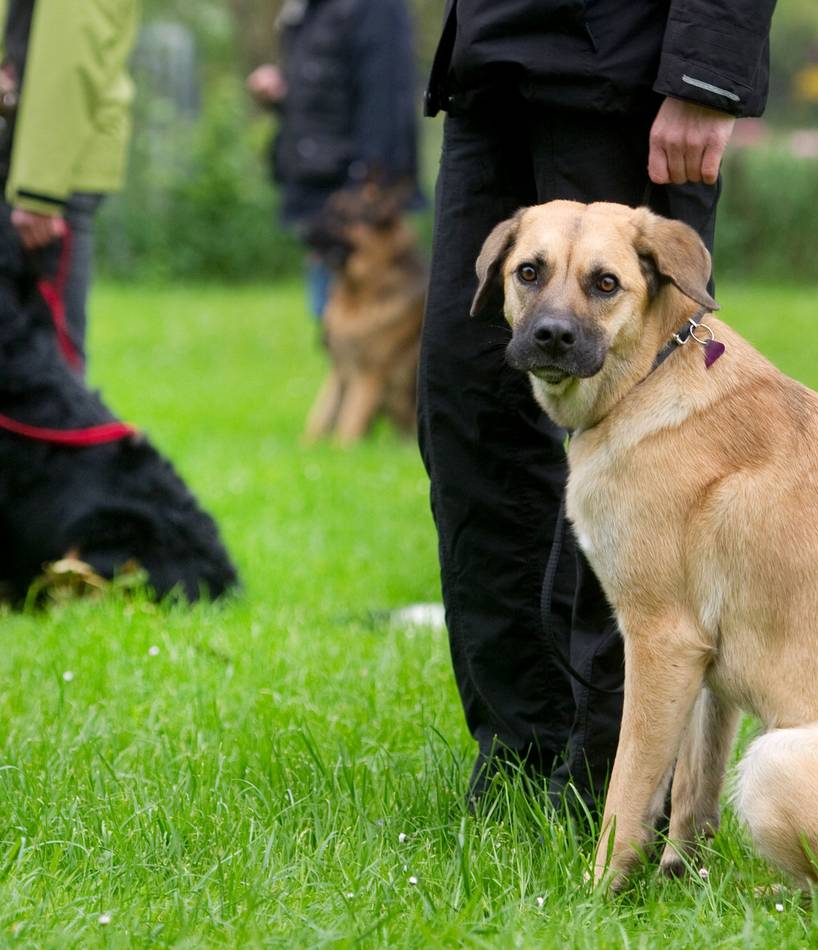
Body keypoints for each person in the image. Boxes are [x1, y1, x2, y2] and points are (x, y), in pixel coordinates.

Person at [418, 0, 777, 811]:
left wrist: (706, 73)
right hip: (490, 67)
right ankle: (517, 754)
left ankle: (606, 782)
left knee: (642, 453)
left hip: (628, 65)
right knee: (466, 408)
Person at [247, 0, 420, 323]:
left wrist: (369, 183)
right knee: (332, 316)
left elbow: (387, 98)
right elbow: (325, 91)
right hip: (318, 184)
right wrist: (285, 94)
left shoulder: (374, 9)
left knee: (372, 321)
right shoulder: (311, 9)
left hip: (355, 192)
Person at [0, 0, 140, 372]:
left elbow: (71, 60)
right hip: (32, 166)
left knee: (49, 370)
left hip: (49, 179)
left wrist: (40, 191)